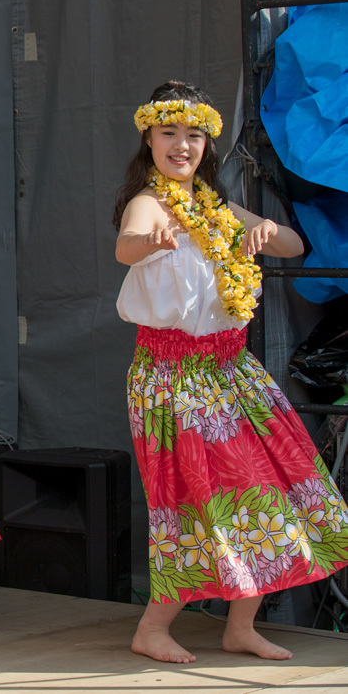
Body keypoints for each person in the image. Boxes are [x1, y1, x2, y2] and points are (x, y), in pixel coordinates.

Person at [114, 80, 348, 664]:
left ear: (208, 143)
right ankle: (152, 628)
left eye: (194, 134)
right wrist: (155, 239)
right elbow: (127, 244)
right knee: (196, 500)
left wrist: (268, 233)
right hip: (173, 375)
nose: (182, 145)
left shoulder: (217, 206)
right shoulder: (152, 200)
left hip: (231, 370)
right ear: (149, 137)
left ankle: (241, 624)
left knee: (273, 490)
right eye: (169, 133)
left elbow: (293, 246)